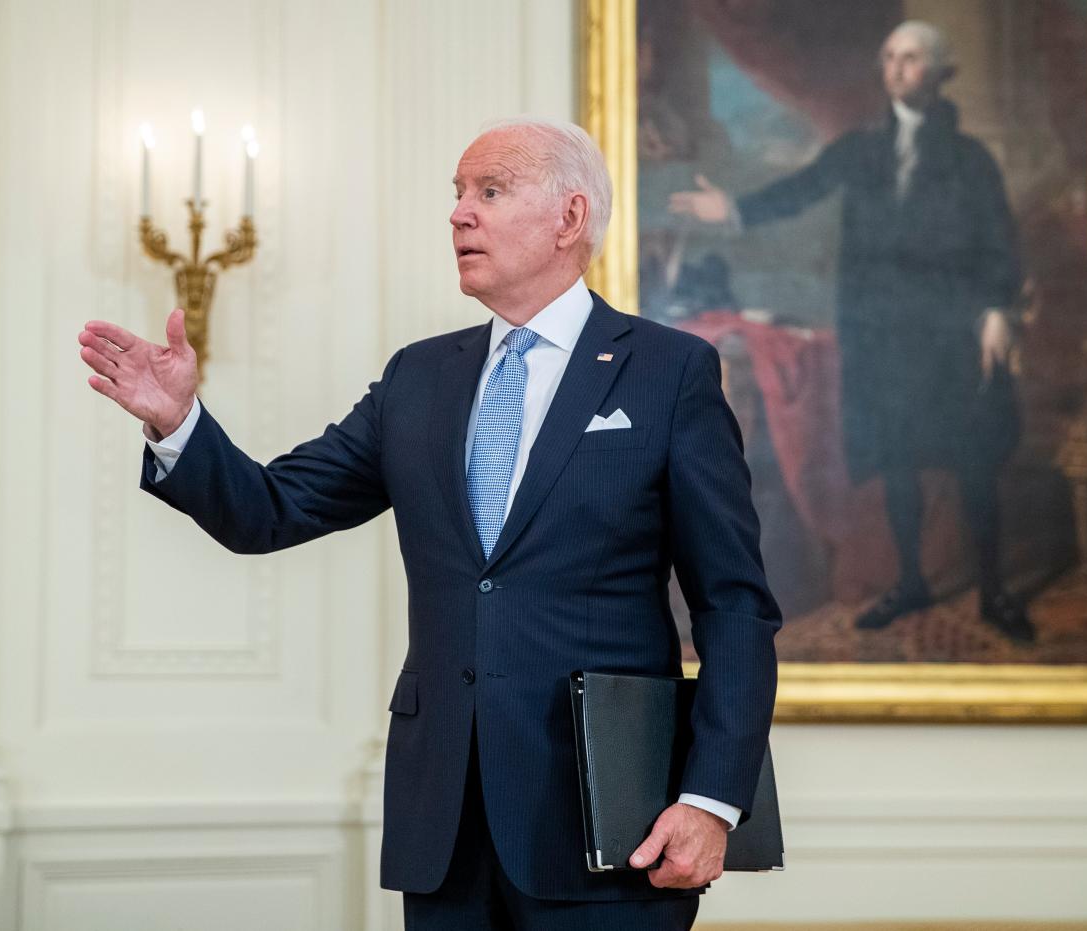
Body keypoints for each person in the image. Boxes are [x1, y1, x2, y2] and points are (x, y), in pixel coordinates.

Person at [78, 117, 780, 930]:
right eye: (457, 193)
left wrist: (711, 799)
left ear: (570, 218)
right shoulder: (419, 377)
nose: (459, 213)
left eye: (490, 191)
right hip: (443, 827)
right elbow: (270, 509)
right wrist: (180, 424)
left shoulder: (668, 371)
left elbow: (735, 606)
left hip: (608, 831)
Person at [670, 20, 1034, 643]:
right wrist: (732, 211)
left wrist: (998, 311)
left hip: (950, 336)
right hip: (884, 337)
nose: (896, 68)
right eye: (890, 56)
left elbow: (999, 241)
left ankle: (995, 588)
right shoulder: (862, 150)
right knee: (896, 463)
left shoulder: (971, 161)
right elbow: (802, 189)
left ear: (941, 73)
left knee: (973, 465)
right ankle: (912, 579)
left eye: (912, 58)